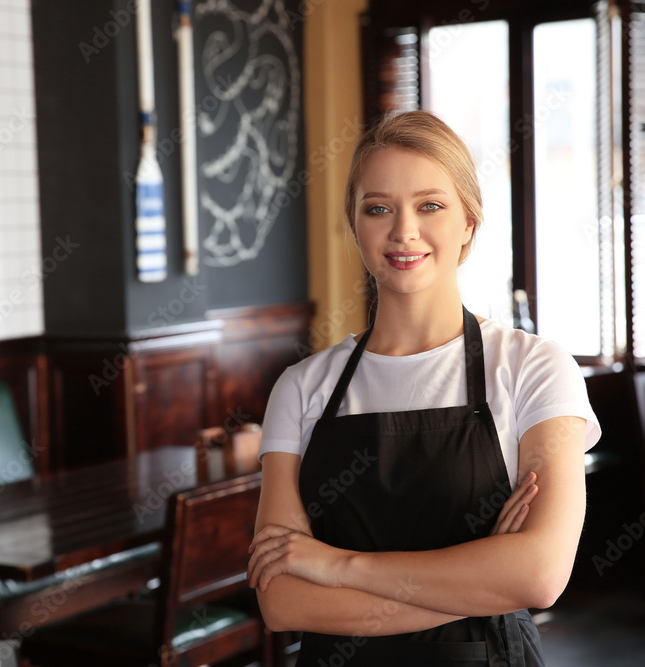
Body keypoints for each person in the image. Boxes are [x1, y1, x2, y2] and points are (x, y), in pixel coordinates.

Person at [246, 110, 601, 666]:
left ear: (468, 223)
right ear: (356, 226)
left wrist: (337, 565)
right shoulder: (301, 387)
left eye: (430, 205)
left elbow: (539, 575)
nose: (403, 230)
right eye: (378, 208)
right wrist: (483, 580)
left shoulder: (534, 368)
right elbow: (284, 601)